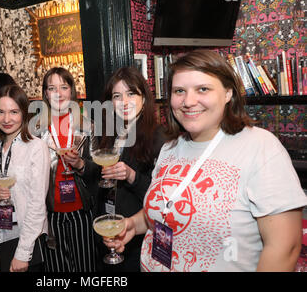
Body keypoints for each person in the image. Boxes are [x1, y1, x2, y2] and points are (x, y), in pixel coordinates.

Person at [106, 49, 307, 272]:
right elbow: (164, 208)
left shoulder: (261, 148)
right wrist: (133, 224)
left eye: (203, 89)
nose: (188, 101)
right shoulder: (169, 149)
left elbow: (284, 248)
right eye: (179, 91)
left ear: (228, 92)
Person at [65, 66, 166, 272]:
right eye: (117, 96)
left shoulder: (159, 137)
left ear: (144, 98)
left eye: (131, 94)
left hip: (137, 234)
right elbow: (102, 178)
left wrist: (131, 176)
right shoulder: (111, 132)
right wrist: (81, 166)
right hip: (107, 228)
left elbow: (162, 197)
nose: (124, 102)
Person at [35, 67, 97, 272]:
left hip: (82, 211)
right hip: (49, 214)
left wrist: (80, 164)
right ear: (45, 93)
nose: (58, 93)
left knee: (85, 268)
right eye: (52, 88)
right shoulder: (35, 130)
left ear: (71, 91)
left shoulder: (88, 126)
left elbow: (98, 170)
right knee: (56, 271)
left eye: (64, 87)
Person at [0, 84, 50, 272]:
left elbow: (37, 205)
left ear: (24, 113)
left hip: (27, 241)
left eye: (14, 112)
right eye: (0, 112)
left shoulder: (36, 147)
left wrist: (22, 253)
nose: (6, 119)